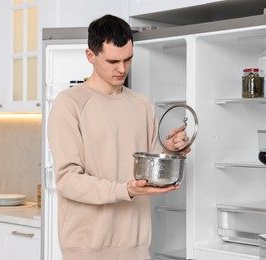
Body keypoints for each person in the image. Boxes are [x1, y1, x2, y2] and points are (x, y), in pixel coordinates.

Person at [47, 14, 190, 260]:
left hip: (136, 245)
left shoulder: (142, 105)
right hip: (86, 249)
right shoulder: (69, 104)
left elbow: (151, 170)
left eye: (128, 59)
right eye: (113, 61)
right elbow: (68, 180)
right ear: (90, 56)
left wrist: (171, 151)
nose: (122, 69)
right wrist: (124, 190)